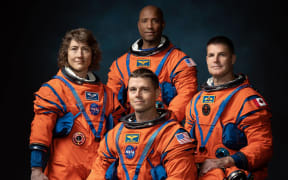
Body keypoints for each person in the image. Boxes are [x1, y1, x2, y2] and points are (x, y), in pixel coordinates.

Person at [29, 28, 124, 180]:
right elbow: (41, 129)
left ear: (92, 54)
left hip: (98, 172)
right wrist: (36, 169)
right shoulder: (54, 89)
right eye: (74, 49)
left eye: (85, 49)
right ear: (66, 53)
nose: (79, 55)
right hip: (64, 172)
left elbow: (120, 135)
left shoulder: (107, 94)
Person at [184, 36, 272, 180]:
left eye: (222, 55)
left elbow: (262, 146)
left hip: (233, 173)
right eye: (211, 55)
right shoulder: (196, 101)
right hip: (202, 173)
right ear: (206, 59)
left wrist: (226, 161)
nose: (216, 60)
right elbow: (186, 145)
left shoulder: (248, 99)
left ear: (232, 59)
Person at [87, 68, 197, 180]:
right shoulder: (116, 134)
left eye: (144, 89)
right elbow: (97, 173)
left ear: (157, 93)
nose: (137, 95)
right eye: (133, 90)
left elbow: (179, 177)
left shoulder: (172, 136)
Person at [107, 5, 197, 122]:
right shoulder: (121, 64)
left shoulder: (179, 61)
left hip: (165, 129)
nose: (149, 26)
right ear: (139, 25)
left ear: (162, 24)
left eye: (154, 21)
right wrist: (121, 130)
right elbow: (111, 102)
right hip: (130, 130)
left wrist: (164, 123)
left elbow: (186, 94)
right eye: (145, 21)